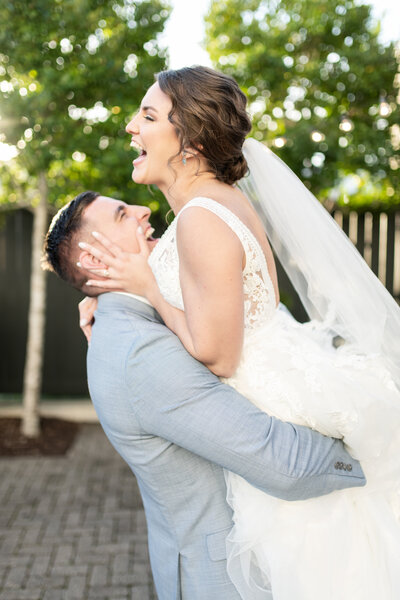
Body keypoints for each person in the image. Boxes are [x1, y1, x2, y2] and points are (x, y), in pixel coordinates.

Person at [78, 66, 400, 599]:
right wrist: (106, 296)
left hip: (268, 415)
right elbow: (204, 295)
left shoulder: (203, 217)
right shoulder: (215, 205)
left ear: (192, 142)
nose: (132, 127)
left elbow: (217, 354)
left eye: (149, 116)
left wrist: (151, 292)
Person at [42, 191, 365, 600]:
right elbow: (286, 464)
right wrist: (371, 459)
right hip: (221, 578)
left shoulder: (127, 319)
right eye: (123, 215)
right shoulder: (140, 353)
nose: (143, 211)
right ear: (93, 260)